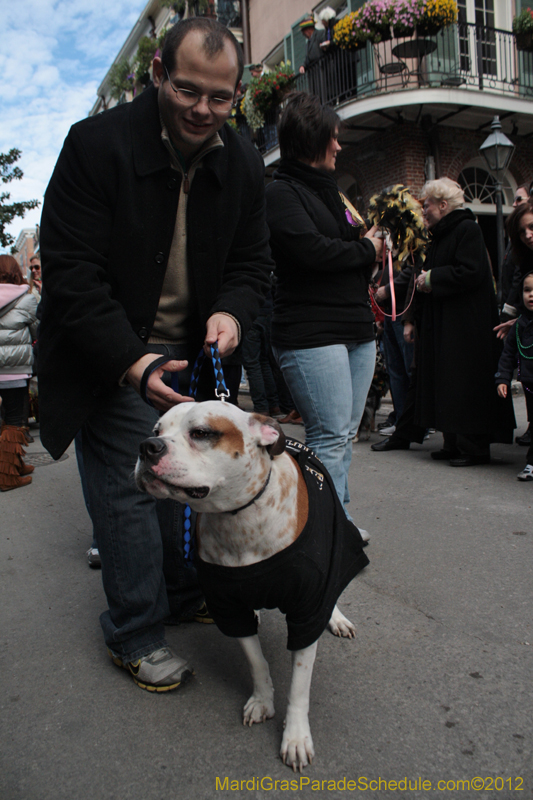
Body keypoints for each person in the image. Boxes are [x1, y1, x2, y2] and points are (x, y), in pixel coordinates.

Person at [39, 17, 272, 691]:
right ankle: (135, 632)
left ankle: (180, 593)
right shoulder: (94, 145)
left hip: (194, 353)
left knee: (186, 486)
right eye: (188, 89)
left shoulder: (243, 158)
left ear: (237, 95)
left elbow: (252, 264)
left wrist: (231, 310)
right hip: (111, 350)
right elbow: (72, 273)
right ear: (157, 74)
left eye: (220, 97)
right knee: (131, 495)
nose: (203, 109)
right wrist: (132, 362)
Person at [266, 92, 382, 526]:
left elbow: (347, 247)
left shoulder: (332, 193)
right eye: (333, 138)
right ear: (311, 140)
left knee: (342, 437)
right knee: (330, 437)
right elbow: (312, 253)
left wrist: (375, 242)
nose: (339, 146)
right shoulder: (280, 193)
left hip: (355, 327)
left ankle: (338, 521)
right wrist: (367, 250)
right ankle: (326, 535)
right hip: (312, 331)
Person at [413, 178, 514, 465]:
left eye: (428, 205)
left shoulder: (466, 229)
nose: (425, 211)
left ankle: (474, 447)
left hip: (465, 327)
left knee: (464, 383)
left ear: (443, 205)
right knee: (447, 382)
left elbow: (470, 271)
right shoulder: (442, 234)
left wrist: (432, 278)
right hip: (446, 323)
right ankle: (453, 442)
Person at [0, 255, 38, 491]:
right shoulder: (26, 299)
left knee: (5, 419)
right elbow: (36, 330)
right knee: (16, 421)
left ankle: (15, 464)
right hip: (14, 370)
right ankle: (7, 477)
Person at [496, 270, 533, 481]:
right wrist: (502, 379)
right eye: (527, 290)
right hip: (529, 383)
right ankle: (532, 463)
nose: (531, 295)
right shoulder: (519, 326)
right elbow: (508, 355)